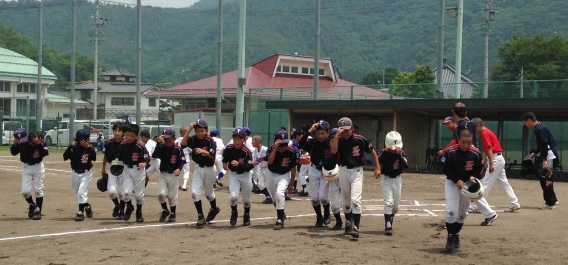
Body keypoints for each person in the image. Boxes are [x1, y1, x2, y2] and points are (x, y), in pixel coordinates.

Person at [442, 129, 497, 252]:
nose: (466, 145)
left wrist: (474, 176)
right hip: (452, 182)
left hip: (468, 185)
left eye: (469, 142)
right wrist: (456, 180)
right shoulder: (451, 152)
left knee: (462, 213)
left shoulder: (475, 153)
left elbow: (480, 169)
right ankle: (450, 236)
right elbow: (445, 169)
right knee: (451, 210)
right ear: (458, 139)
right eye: (463, 142)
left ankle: (456, 234)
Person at [331, 117, 381, 239]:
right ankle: (348, 221)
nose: (345, 133)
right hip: (343, 170)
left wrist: (377, 167)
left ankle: (356, 227)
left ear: (352, 128)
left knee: (356, 201)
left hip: (357, 171)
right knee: (346, 202)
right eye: (343, 130)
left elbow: (372, 151)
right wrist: (336, 136)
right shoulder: (338, 139)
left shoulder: (360, 139)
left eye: (347, 130)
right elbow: (334, 151)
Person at [471, 118, 521, 212]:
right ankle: (514, 203)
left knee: (486, 182)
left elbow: (489, 148)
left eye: (474, 127)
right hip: (497, 158)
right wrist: (484, 160)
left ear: (478, 125)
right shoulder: (487, 131)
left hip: (495, 159)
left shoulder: (485, 132)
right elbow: (489, 150)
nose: (473, 130)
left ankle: (479, 206)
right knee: (504, 183)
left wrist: (491, 163)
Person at [181, 119, 220, 226]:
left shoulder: (210, 140)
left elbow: (213, 156)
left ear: (206, 131)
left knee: (208, 194)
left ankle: (214, 208)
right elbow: (183, 143)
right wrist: (189, 129)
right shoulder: (193, 139)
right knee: (194, 192)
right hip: (198, 168)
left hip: (210, 169)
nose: (199, 133)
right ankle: (200, 216)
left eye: (202, 131)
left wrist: (204, 151)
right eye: (197, 131)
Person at [521, 112, 559, 209]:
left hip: (549, 155)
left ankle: (550, 203)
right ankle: (553, 199)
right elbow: (543, 145)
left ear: (529, 120)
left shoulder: (540, 129)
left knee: (545, 178)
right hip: (550, 154)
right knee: (547, 178)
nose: (525, 124)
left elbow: (545, 145)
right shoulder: (540, 127)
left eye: (525, 122)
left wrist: (544, 160)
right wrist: (536, 152)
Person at [298, 120, 332, 227]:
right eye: (318, 133)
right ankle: (319, 217)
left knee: (323, 197)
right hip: (313, 169)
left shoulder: (331, 142)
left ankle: (327, 212)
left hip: (326, 171)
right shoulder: (313, 142)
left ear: (328, 132)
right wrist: (310, 131)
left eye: (323, 133)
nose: (320, 136)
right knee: (314, 198)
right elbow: (300, 145)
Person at [11, 129, 48, 220]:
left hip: (38, 167)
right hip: (26, 167)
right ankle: (32, 204)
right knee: (25, 191)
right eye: (32, 141)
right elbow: (13, 152)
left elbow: (44, 153)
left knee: (38, 189)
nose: (33, 143)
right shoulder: (23, 143)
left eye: (36, 140)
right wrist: (15, 145)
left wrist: (39, 144)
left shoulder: (42, 143)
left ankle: (38, 211)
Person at [378, 131, 408, 236]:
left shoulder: (401, 153)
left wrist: (399, 155)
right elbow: (377, 161)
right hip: (386, 178)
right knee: (388, 202)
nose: (394, 149)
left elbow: (405, 165)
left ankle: (390, 217)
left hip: (397, 179)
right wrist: (385, 151)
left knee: (395, 207)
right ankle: (387, 225)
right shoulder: (383, 152)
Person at [116, 124, 149, 222]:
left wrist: (144, 162)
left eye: (132, 136)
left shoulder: (140, 146)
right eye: (127, 135)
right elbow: (119, 155)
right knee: (125, 193)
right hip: (126, 170)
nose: (129, 138)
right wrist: (117, 158)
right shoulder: (122, 145)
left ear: (136, 136)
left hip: (138, 171)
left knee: (138, 195)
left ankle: (139, 212)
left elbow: (147, 157)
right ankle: (129, 207)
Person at [266, 129, 297, 230]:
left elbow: (293, 168)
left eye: (285, 144)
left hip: (284, 175)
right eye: (281, 145)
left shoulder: (291, 151)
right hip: (271, 174)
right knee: (274, 199)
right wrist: (275, 149)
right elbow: (269, 162)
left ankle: (279, 220)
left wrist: (292, 183)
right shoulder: (271, 148)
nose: (283, 147)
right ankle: (281, 213)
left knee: (280, 193)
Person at [223, 127, 255, 226]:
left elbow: (250, 166)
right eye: (235, 138)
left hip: (245, 175)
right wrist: (224, 163)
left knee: (246, 199)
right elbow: (225, 157)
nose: (237, 141)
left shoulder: (246, 151)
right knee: (233, 196)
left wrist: (239, 164)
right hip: (234, 175)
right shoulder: (228, 148)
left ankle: (246, 214)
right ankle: (234, 212)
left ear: (244, 139)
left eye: (239, 138)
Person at [63, 129, 96, 221]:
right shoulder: (74, 148)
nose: (86, 141)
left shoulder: (89, 148)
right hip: (75, 173)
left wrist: (88, 147)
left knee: (81, 193)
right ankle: (87, 206)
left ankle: (80, 212)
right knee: (78, 194)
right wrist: (70, 146)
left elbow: (94, 157)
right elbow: (65, 157)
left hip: (86, 173)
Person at [154, 128, 186, 222]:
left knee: (172, 196)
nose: (167, 142)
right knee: (160, 194)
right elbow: (155, 155)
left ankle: (173, 213)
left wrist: (178, 169)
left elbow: (182, 161)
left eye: (169, 140)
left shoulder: (177, 149)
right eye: (165, 140)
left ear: (174, 138)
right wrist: (158, 143)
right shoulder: (162, 146)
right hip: (163, 173)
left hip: (173, 175)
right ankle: (165, 210)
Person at [101, 122, 126, 219]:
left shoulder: (126, 143)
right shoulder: (109, 143)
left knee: (122, 192)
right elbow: (105, 156)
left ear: (123, 132)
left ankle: (122, 211)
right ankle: (117, 205)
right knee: (111, 191)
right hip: (112, 167)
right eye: (115, 131)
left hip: (124, 169)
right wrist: (103, 168)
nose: (117, 133)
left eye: (119, 131)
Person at [325, 128, 343, 230]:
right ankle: (338, 221)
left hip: (345, 178)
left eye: (337, 140)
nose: (334, 143)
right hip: (334, 180)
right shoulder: (327, 154)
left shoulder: (345, 152)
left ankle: (350, 221)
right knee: (334, 204)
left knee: (347, 203)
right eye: (332, 141)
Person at [251, 135, 272, 204]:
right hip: (261, 169)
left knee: (269, 185)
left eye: (253, 141)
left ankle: (281, 195)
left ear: (257, 141)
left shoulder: (265, 149)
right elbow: (255, 161)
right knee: (260, 185)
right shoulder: (255, 150)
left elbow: (269, 159)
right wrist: (249, 163)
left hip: (268, 169)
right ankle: (269, 197)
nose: (252, 143)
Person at [290, 129, 309, 196]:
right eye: (301, 135)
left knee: (301, 174)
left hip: (307, 159)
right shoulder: (291, 142)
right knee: (300, 174)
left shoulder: (303, 142)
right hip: (298, 160)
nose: (302, 137)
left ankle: (304, 190)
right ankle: (294, 188)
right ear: (297, 136)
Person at [175, 127, 192, 191]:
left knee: (178, 170)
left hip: (178, 157)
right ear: (185, 133)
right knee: (186, 171)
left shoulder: (176, 140)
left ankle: (177, 185)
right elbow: (190, 150)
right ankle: (184, 185)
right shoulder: (187, 140)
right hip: (185, 156)